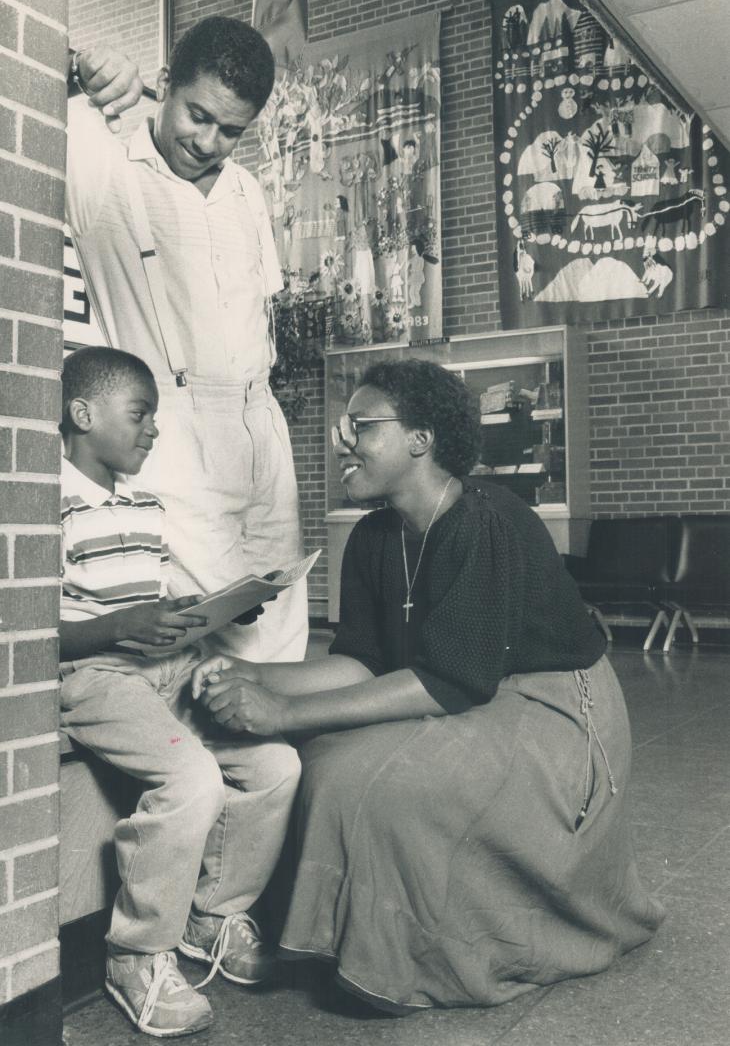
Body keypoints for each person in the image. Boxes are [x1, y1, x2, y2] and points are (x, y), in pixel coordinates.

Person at [191, 358, 665, 1014]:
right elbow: (361, 660)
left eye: (362, 424)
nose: (342, 440)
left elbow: (449, 680)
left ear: (422, 440)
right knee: (328, 757)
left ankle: (400, 962)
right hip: (469, 690)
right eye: (342, 425)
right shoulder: (372, 538)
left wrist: (279, 713)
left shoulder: (484, 519)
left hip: (555, 706)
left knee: (373, 782)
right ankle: (345, 942)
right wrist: (254, 675)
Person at [59, 346, 301, 1037]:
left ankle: (212, 914)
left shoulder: (141, 504)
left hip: (165, 666)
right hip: (97, 677)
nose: (153, 429)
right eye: (140, 414)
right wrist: (117, 626)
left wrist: (218, 607)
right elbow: (28, 632)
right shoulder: (43, 501)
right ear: (83, 413)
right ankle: (135, 955)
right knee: (192, 778)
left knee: (273, 764)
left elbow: (150, 601)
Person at [65, 16, 307, 662]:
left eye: (231, 130)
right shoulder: (104, 170)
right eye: (197, 115)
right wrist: (87, 62)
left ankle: (282, 760)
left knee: (282, 629)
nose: (207, 141)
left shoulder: (248, 193)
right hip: (176, 433)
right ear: (166, 83)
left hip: (260, 427)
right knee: (221, 636)